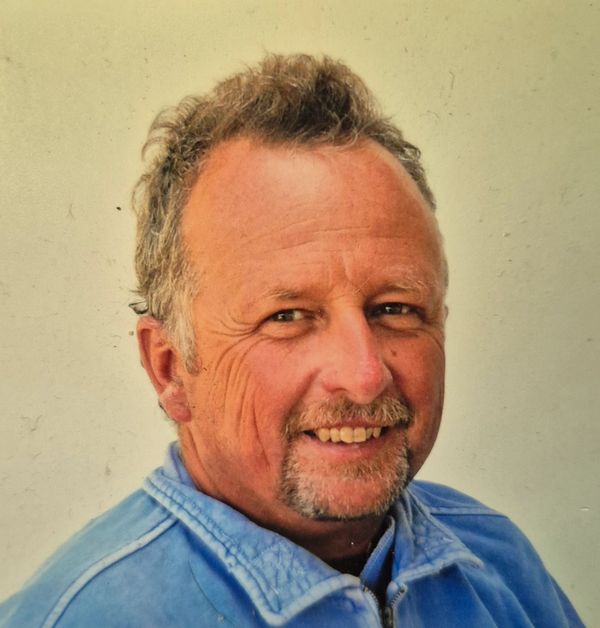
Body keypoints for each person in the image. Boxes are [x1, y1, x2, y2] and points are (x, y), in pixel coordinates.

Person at [0, 54, 583, 627]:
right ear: (170, 368)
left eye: (395, 309)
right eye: (287, 316)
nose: (364, 376)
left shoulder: (500, 562)